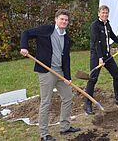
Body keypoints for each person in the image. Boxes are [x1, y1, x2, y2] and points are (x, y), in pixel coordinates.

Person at [20, 9, 80, 141]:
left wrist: (68, 77)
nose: (64, 21)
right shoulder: (46, 30)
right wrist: (24, 47)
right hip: (46, 71)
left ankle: (65, 127)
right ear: (56, 19)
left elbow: (66, 58)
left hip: (60, 72)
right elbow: (26, 33)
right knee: (46, 102)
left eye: (66, 20)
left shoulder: (66, 37)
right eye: (62, 19)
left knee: (68, 97)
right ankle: (44, 134)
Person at [84, 5, 118, 115]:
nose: (105, 15)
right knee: (93, 79)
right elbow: (96, 43)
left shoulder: (107, 24)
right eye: (103, 13)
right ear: (98, 13)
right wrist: (100, 58)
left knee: (117, 75)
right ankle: (87, 104)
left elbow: (112, 35)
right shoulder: (95, 26)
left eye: (106, 13)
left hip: (107, 55)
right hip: (96, 55)